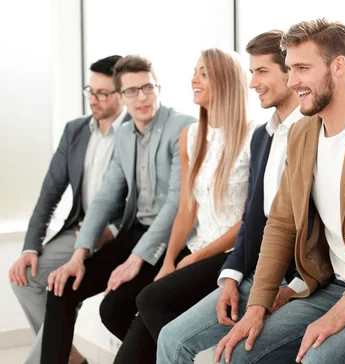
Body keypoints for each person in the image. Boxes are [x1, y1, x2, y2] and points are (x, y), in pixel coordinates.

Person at [213, 18, 345, 364]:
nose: (292, 80)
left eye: (302, 68)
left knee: (315, 360)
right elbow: (282, 223)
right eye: (289, 68)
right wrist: (257, 305)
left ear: (339, 66)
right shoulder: (301, 134)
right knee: (237, 353)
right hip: (327, 286)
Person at [156, 30, 305, 364]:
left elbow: (310, 230)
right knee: (170, 339)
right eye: (251, 73)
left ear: (291, 74)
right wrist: (231, 277)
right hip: (254, 268)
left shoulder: (311, 133)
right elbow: (253, 218)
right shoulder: (263, 137)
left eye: (261, 72)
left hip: (293, 276)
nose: (252, 84)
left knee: (233, 354)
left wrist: (291, 288)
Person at [40, 55, 195, 364]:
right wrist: (78, 256)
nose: (142, 98)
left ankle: (154, 355)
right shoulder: (125, 134)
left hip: (177, 239)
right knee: (61, 287)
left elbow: (177, 203)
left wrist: (136, 259)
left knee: (113, 309)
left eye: (147, 88)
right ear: (121, 96)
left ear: (159, 88)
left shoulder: (183, 126)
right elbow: (106, 196)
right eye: (132, 91)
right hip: (137, 231)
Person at [112, 47, 256, 364]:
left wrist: (195, 259)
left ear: (225, 81)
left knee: (149, 299)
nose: (194, 80)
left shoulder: (253, 136)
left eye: (203, 74)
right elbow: (186, 210)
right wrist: (170, 261)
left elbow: (250, 219)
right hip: (197, 247)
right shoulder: (190, 136)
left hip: (232, 254)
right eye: (194, 72)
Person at [9, 55, 128, 364]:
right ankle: (70, 357)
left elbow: (142, 201)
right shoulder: (75, 131)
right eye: (91, 91)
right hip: (78, 230)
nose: (94, 99)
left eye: (103, 93)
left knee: (61, 291)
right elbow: (48, 195)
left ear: (121, 94)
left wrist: (110, 231)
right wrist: (30, 247)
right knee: (23, 277)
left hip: (118, 234)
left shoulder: (136, 131)